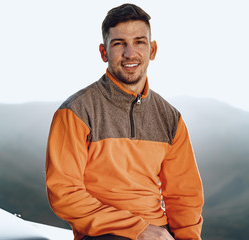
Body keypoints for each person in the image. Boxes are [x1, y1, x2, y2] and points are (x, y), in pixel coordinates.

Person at [45, 3, 204, 240]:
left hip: (161, 232)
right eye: (119, 44)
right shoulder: (75, 111)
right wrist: (138, 230)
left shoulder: (171, 118)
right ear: (103, 52)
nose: (130, 53)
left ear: (152, 50)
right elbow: (64, 193)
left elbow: (184, 196)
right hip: (104, 234)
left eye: (139, 42)